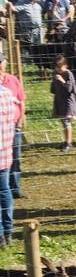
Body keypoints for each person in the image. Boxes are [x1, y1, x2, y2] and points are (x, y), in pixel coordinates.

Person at [0, 50, 24, 199]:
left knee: (15, 156)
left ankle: (15, 187)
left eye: (3, 62)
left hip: (14, 125)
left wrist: (20, 120)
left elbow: (21, 101)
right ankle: (4, 187)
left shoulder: (13, 80)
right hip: (2, 128)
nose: (3, 65)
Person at [51, 55, 76, 153]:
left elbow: (71, 89)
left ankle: (69, 143)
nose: (58, 69)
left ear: (65, 65)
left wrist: (62, 81)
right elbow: (53, 88)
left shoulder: (68, 74)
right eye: (56, 67)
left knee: (67, 122)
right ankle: (66, 140)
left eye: (60, 67)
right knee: (63, 122)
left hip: (68, 103)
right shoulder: (55, 74)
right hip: (60, 101)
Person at [0, 78, 16, 245]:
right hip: (5, 152)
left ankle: (0, 236)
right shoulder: (7, 94)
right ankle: (8, 231)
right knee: (4, 191)